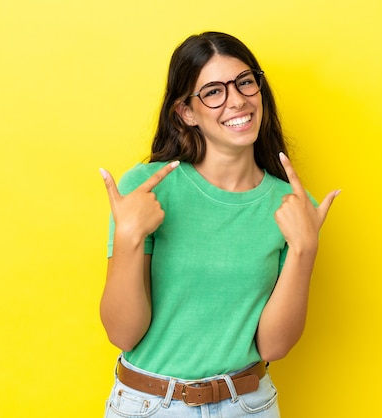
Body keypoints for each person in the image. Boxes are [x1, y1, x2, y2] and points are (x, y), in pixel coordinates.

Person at [99, 31, 339, 417]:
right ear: (186, 112)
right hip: (149, 406)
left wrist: (305, 249)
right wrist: (128, 237)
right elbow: (122, 334)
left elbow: (273, 347)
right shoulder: (145, 190)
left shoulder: (294, 208)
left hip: (248, 405)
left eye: (245, 82)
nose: (238, 99)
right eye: (213, 91)